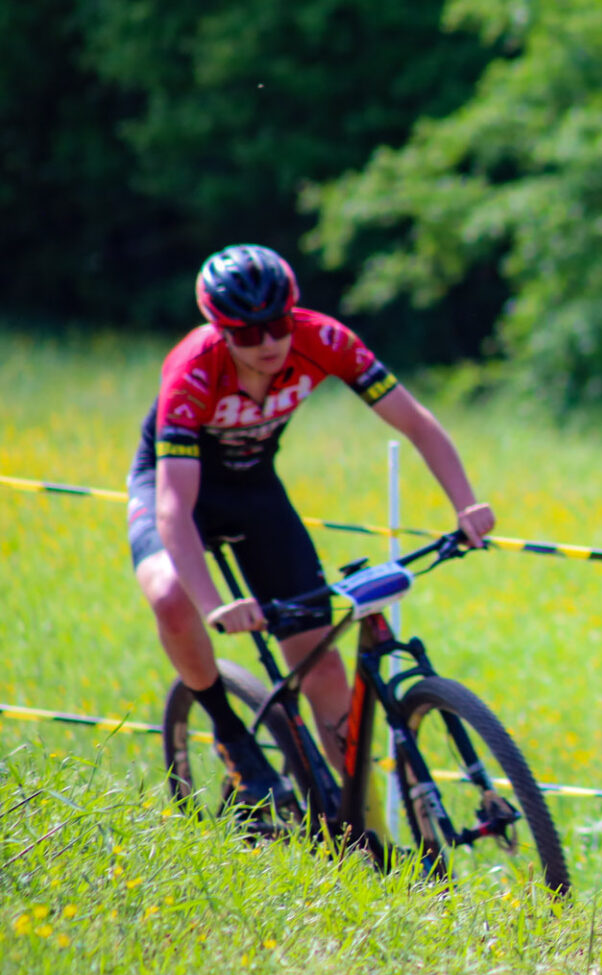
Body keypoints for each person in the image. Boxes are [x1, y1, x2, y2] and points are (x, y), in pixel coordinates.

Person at [129, 244, 495, 810]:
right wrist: (215, 605)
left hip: (254, 490)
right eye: (247, 335)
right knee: (171, 595)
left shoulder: (324, 340)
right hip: (175, 488)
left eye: (277, 326)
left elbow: (415, 421)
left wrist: (466, 505)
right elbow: (175, 507)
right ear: (220, 331)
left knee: (323, 665)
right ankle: (231, 735)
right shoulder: (193, 369)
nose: (268, 343)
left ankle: (362, 829)